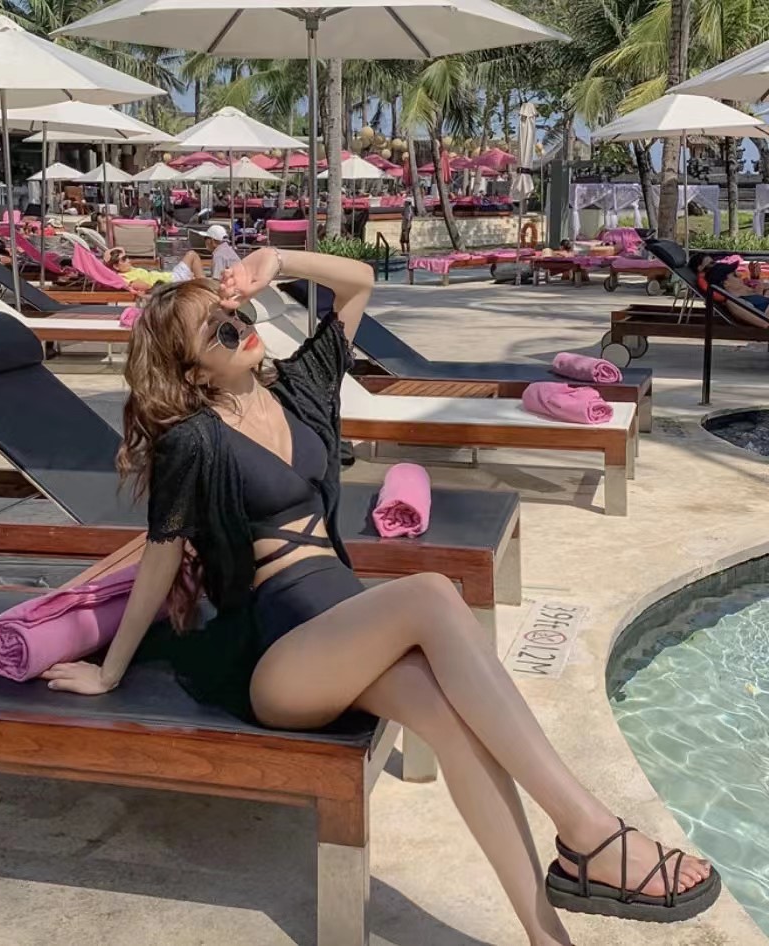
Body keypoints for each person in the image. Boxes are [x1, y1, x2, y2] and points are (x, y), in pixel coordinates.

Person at [40, 248, 719, 941]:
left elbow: (360, 283)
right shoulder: (193, 441)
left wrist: (277, 260)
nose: (239, 326)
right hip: (279, 664)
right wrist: (109, 672)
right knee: (430, 592)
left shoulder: (299, 390)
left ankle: (549, 936)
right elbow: (160, 556)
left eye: (235, 315)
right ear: (193, 372)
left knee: (453, 725)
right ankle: (589, 831)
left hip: (347, 636)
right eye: (217, 330)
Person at [104, 247, 206, 292]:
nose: (128, 260)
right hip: (171, 283)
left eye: (127, 257)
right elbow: (147, 287)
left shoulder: (129, 270)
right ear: (116, 266)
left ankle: (205, 286)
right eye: (124, 259)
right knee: (192, 255)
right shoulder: (124, 277)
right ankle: (207, 288)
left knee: (192, 257)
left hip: (170, 277)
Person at [706, 260, 769, 325]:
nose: (740, 275)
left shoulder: (742, 294)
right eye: (735, 275)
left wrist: (755, 277)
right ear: (725, 283)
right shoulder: (734, 303)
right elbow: (765, 323)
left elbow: (759, 299)